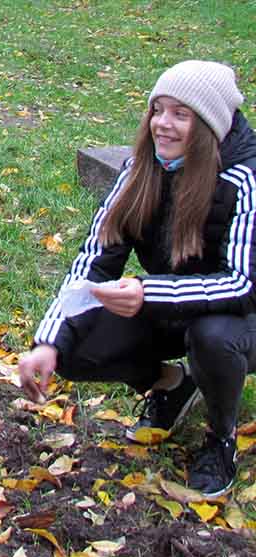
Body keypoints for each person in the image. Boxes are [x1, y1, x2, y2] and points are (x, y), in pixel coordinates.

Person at [19, 60, 256, 499]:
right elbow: (93, 260)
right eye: (157, 110)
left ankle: (220, 440)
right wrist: (48, 342)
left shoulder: (245, 178)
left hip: (242, 319)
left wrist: (149, 292)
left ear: (207, 127)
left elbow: (242, 284)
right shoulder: (139, 170)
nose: (162, 125)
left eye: (180, 115)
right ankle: (172, 385)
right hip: (172, 304)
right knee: (74, 344)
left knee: (213, 334)